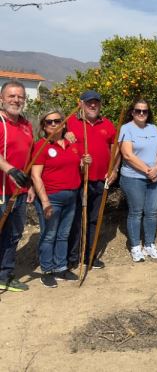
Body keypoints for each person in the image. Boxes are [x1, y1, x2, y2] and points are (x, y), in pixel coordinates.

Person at [31, 110, 90, 287]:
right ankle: (47, 270)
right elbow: (35, 176)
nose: (54, 124)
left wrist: (84, 162)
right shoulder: (41, 145)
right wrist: (45, 201)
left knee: (63, 234)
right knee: (49, 235)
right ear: (43, 126)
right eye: (49, 122)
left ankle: (60, 267)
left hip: (71, 196)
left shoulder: (73, 144)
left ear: (64, 124)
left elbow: (77, 168)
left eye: (58, 121)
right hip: (51, 197)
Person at [66, 90, 118, 270]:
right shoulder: (70, 122)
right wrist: (65, 135)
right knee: (76, 220)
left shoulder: (108, 124)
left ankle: (90, 255)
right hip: (78, 180)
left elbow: (115, 149)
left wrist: (115, 170)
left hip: (101, 180)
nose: (93, 105)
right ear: (81, 104)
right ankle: (73, 257)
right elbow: (56, 141)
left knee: (94, 219)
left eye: (96, 102)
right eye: (89, 103)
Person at [119, 99, 157, 262]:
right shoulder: (126, 129)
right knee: (136, 212)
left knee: (152, 212)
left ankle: (149, 244)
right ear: (132, 112)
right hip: (134, 178)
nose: (141, 113)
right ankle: (135, 247)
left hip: (155, 176)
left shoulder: (153, 128)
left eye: (144, 111)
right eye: (138, 110)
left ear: (148, 113)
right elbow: (127, 155)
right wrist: (148, 171)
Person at [0, 80, 34, 292]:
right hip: (1, 192)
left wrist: (29, 185)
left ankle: (4, 275)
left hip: (19, 192)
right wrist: (9, 169)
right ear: (2, 99)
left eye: (20, 96)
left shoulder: (26, 124)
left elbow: (29, 158)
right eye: (11, 96)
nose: (16, 100)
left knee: (13, 235)